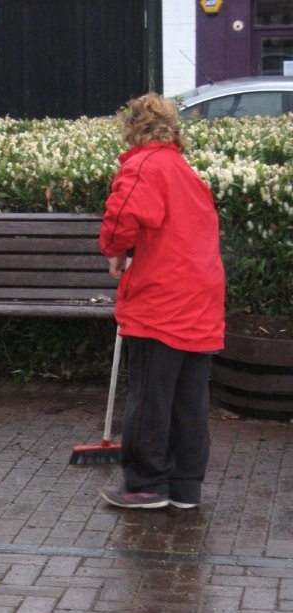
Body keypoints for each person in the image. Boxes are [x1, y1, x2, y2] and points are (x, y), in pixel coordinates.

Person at [98, 92, 224, 510]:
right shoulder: (185, 171)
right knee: (190, 399)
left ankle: (147, 484)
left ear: (132, 126)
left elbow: (122, 216)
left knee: (151, 395)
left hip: (162, 299)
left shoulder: (143, 166)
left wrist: (115, 250)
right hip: (201, 296)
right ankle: (186, 486)